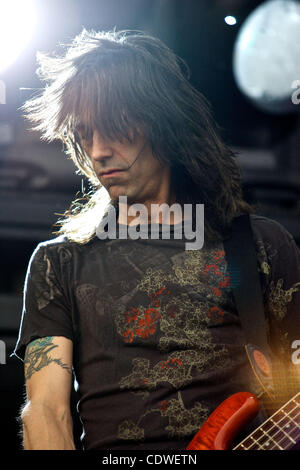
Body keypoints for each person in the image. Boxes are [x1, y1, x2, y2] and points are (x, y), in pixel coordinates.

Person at [13, 29, 300, 450]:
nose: (97, 151)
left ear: (162, 123)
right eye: (84, 134)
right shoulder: (60, 263)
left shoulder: (259, 245)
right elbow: (46, 410)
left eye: (111, 129)